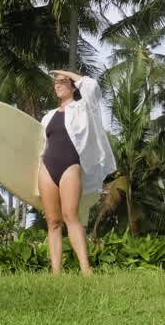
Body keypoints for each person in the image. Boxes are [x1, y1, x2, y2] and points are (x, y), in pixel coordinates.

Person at [38, 68, 116, 275]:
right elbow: (42, 145)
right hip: (47, 166)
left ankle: (85, 269)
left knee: (71, 216)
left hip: (71, 165)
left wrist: (67, 73)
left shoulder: (82, 107)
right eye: (56, 83)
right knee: (53, 221)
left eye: (62, 81)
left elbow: (92, 87)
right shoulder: (48, 116)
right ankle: (56, 272)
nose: (58, 84)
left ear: (72, 86)